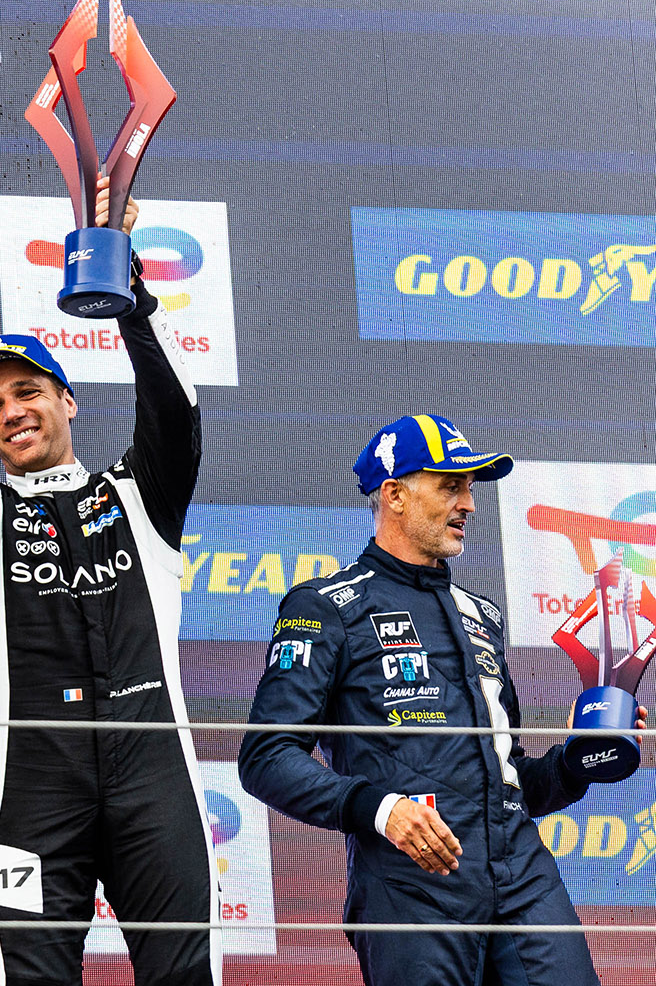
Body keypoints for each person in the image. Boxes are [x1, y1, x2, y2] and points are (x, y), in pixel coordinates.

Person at [0, 180, 220, 986]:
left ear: (67, 399)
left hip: (155, 780)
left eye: (27, 392)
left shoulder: (141, 497)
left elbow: (175, 409)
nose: (11, 412)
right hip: (36, 790)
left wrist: (130, 286)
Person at [238, 414, 646, 985]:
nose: (469, 504)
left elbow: (510, 780)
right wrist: (381, 810)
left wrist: (576, 762)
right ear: (395, 495)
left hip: (523, 875)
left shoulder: (483, 615)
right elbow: (266, 756)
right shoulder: (326, 606)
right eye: (450, 486)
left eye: (470, 488)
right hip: (411, 883)